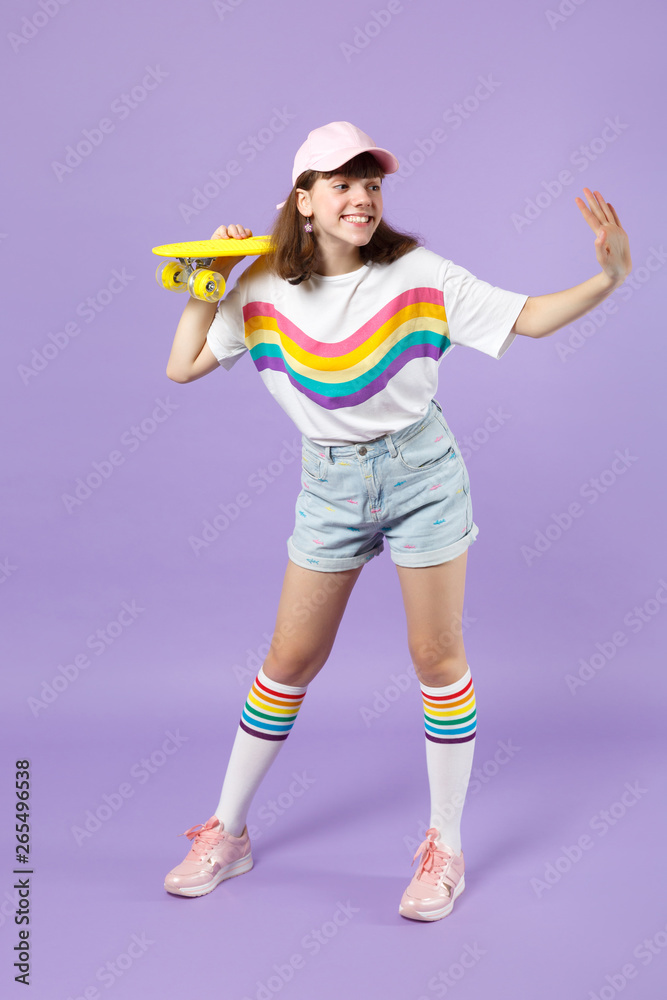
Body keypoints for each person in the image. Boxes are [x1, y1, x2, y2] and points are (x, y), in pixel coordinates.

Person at [162, 121, 631, 921]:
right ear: (302, 202)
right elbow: (183, 366)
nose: (362, 197)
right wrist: (213, 272)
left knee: (435, 656)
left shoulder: (417, 273)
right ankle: (227, 834)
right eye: (341, 184)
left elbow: (529, 318)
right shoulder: (262, 287)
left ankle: (443, 848)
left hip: (422, 476)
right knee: (289, 657)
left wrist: (607, 279)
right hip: (330, 488)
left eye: (371, 183)